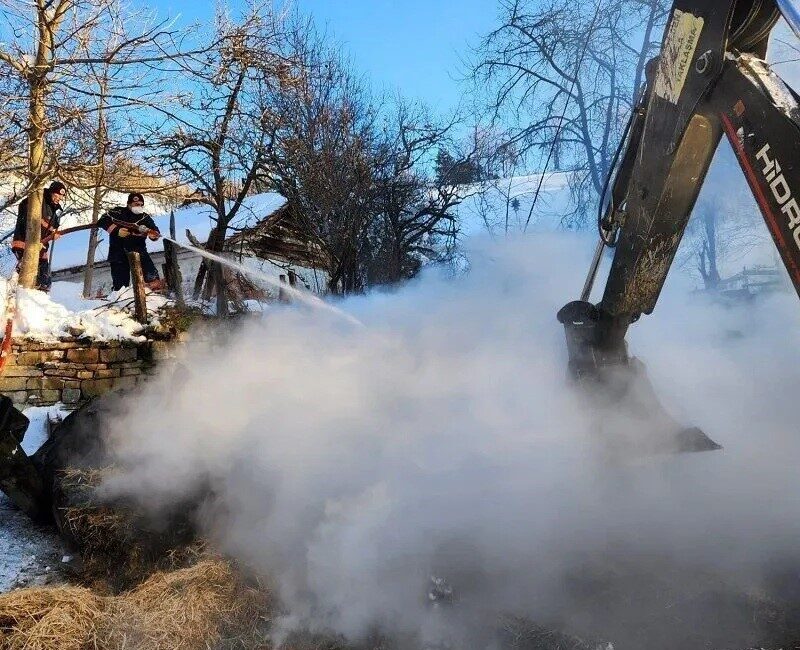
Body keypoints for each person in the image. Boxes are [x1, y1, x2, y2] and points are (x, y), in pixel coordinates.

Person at [98, 192, 162, 292]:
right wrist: (117, 231)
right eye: (136, 204)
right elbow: (102, 220)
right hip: (118, 253)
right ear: (129, 204)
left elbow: (155, 230)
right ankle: (122, 298)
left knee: (152, 278)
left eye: (141, 205)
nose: (139, 206)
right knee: (121, 287)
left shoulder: (145, 217)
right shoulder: (117, 212)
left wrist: (154, 235)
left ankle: (154, 296)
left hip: (139, 252)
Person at [12, 181, 67, 291]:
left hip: (41, 247)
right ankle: (17, 293)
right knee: (27, 276)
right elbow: (30, 217)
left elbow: (53, 227)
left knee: (45, 281)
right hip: (25, 243)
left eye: (61, 197)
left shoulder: (55, 209)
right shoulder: (36, 200)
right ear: (51, 192)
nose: (59, 199)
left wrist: (54, 234)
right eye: (57, 195)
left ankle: (39, 296)